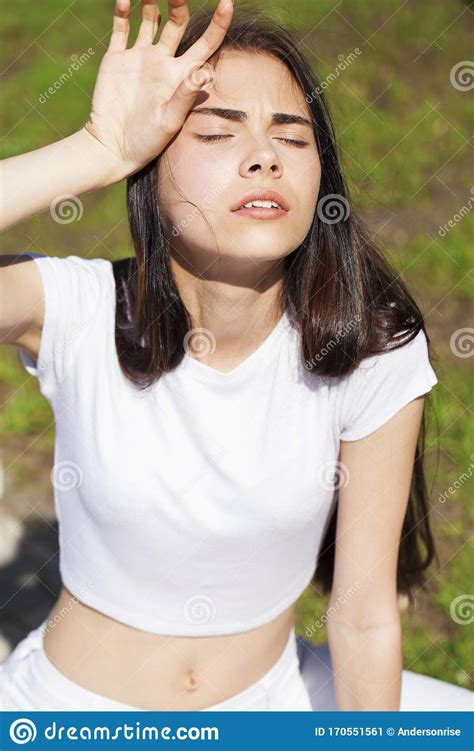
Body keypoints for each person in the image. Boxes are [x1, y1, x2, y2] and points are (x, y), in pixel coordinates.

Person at [0, 0, 472, 712]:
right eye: (218, 133)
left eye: (294, 137)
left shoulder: (369, 345)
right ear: (149, 174)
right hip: (73, 715)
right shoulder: (79, 307)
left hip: (272, 705)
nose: (264, 156)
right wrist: (96, 149)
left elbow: (364, 613)